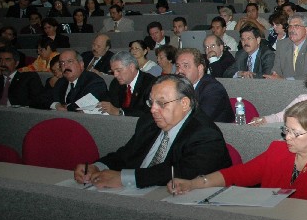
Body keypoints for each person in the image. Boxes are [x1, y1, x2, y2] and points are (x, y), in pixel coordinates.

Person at [171, 99, 307, 202]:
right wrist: (193, 184)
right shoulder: (277, 150)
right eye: (286, 130)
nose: (287, 137)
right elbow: (238, 174)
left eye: (295, 133)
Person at [75, 75, 231, 189]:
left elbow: (180, 172)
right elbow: (126, 154)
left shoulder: (205, 134)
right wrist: (98, 166)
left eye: (161, 103)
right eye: (151, 102)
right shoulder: (148, 122)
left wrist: (125, 178)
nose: (153, 109)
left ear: (184, 104)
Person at [174, 48, 234, 123]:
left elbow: (200, 120)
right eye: (178, 66)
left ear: (199, 69)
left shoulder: (213, 89)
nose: (179, 71)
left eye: (185, 66)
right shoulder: (177, 87)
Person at [268, 14, 307, 80]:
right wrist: (274, 75)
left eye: (296, 26)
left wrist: (285, 80)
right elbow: (276, 69)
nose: (292, 30)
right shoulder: (282, 44)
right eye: (290, 26)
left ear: (306, 30)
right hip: (283, 85)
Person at [97, 51, 156, 118]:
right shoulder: (116, 83)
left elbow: (148, 112)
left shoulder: (150, 83)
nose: (115, 75)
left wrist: (120, 112)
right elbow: (112, 102)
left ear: (131, 67)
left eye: (118, 70)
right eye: (113, 71)